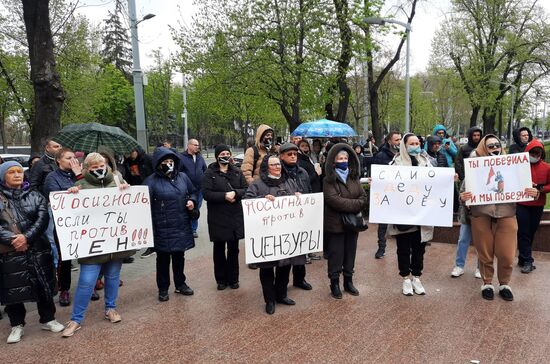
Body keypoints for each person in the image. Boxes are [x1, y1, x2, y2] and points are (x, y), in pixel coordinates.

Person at [62, 153, 134, 337]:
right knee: (86, 282)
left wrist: (128, 191)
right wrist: (71, 195)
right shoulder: (81, 185)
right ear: (86, 169)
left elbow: (130, 206)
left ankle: (111, 309)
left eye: (101, 164)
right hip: (92, 246)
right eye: (93, 167)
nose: (98, 168)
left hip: (114, 244)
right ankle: (76, 319)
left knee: (112, 277)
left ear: (107, 165)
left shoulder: (118, 181)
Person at [459, 135, 538, 301]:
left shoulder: (512, 167)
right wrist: (463, 197)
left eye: (497, 145)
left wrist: (534, 193)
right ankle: (487, 283)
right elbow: (464, 192)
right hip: (481, 215)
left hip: (507, 214)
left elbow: (527, 188)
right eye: (490, 146)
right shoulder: (475, 167)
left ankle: (504, 283)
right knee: (485, 253)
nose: (494, 148)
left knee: (507, 254)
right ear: (483, 149)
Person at [0, 161, 64, 343]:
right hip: (10, 253)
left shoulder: (35, 195)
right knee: (13, 290)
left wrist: (26, 238)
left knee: (43, 286)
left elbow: (42, 219)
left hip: (37, 249)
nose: (17, 175)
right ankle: (16, 325)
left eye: (19, 171)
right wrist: (13, 239)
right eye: (11, 172)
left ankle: (48, 319)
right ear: (3, 176)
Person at [245, 155, 303, 314]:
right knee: (267, 268)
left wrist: (298, 197)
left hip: (286, 233)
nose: (277, 167)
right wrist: (262, 199)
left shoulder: (289, 181)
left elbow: (298, 202)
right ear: (266, 167)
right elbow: (247, 201)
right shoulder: (257, 184)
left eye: (278, 164)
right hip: (267, 235)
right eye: (273, 165)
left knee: (285, 266)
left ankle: (281, 295)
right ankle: (269, 299)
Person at [145, 147, 197, 302]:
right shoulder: (151, 181)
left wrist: (192, 201)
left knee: (179, 257)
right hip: (162, 226)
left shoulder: (182, 177)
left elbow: (193, 191)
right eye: (165, 162)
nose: (169, 164)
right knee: (163, 260)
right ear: (159, 164)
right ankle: (163, 288)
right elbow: (142, 204)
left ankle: (180, 284)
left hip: (180, 225)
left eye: (171, 161)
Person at [387, 133, 434, 296]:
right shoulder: (395, 164)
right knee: (404, 248)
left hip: (422, 215)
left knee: (420, 248)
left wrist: (450, 179)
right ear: (404, 146)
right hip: (403, 215)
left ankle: (416, 276)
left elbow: (435, 184)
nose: (416, 146)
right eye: (411, 143)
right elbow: (388, 185)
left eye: (417, 143)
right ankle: (405, 278)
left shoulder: (426, 162)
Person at [323, 143, 368, 299]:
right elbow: (333, 200)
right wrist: (354, 204)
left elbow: (363, 198)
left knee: (350, 254)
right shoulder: (329, 180)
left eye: (345, 158)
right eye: (340, 158)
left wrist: (348, 203)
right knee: (336, 255)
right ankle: (334, 283)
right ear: (333, 161)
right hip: (335, 225)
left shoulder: (354, 177)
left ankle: (348, 282)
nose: (343, 160)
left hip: (352, 224)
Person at [43, 148, 84, 307]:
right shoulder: (52, 177)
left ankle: (89, 285)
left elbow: (89, 190)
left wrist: (79, 175)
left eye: (74, 157)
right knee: (65, 258)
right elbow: (55, 197)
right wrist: (71, 192)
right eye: (68, 158)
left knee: (86, 256)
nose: (72, 160)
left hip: (83, 222)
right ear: (58, 160)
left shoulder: (80, 174)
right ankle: (64, 289)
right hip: (64, 226)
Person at [202, 145, 247, 290]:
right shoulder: (210, 173)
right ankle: (221, 280)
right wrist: (224, 196)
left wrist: (236, 193)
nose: (226, 155)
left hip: (234, 216)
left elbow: (245, 189)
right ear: (217, 156)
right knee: (219, 249)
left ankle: (234, 279)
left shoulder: (236, 171)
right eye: (223, 153)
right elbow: (206, 194)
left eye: (228, 153)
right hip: (218, 217)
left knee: (234, 249)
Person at [279, 143, 313, 289]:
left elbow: (309, 191)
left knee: (301, 250)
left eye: (295, 154)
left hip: (301, 216)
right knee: (285, 254)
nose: (293, 156)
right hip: (285, 219)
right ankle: (282, 284)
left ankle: (300, 279)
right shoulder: (278, 172)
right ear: (281, 156)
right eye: (289, 154)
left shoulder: (303, 172)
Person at [451, 126, 483, 278]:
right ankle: (459, 265)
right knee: (463, 239)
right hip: (468, 215)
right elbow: (461, 194)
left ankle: (480, 267)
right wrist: (462, 197)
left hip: (483, 214)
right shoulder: (467, 178)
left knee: (481, 242)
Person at [516, 140, 550, 273]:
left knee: (531, 231)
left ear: (542, 153)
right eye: (532, 152)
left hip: (537, 204)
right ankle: (528, 261)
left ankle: (523, 257)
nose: (535, 155)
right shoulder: (519, 166)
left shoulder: (547, 167)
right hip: (522, 204)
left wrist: (540, 188)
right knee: (524, 231)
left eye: (538, 153)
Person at [371, 131, 401, 259]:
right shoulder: (381, 155)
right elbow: (376, 174)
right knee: (383, 223)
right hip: (386, 194)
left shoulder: (404, 156)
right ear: (389, 141)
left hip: (400, 194)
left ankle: (403, 249)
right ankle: (381, 248)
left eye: (400, 140)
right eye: (396, 140)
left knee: (402, 223)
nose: (399, 142)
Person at [179, 139, 206, 238]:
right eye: (195, 145)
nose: (197, 147)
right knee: (186, 209)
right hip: (186, 190)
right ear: (189, 145)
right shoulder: (181, 157)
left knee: (196, 209)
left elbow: (205, 171)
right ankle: (186, 228)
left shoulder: (200, 158)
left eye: (198, 145)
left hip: (199, 189)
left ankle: (193, 229)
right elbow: (178, 173)